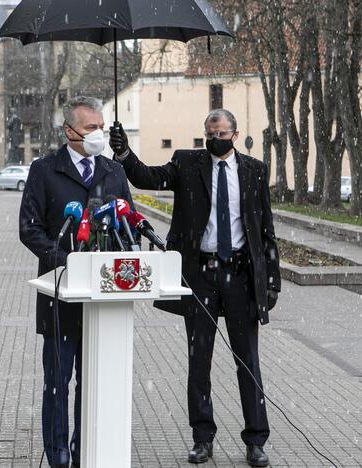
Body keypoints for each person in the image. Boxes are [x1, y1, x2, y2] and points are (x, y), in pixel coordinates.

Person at [109, 109, 280, 467]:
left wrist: (271, 280)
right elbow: (147, 178)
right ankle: (202, 438)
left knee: (247, 360)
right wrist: (124, 154)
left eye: (220, 133)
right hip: (199, 276)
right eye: (208, 133)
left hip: (241, 276)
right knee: (198, 360)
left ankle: (256, 441)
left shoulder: (254, 171)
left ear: (234, 135)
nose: (214, 139)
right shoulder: (187, 163)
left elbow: (265, 228)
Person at [19, 96, 134, 468]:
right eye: (89, 128)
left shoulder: (113, 171)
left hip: (104, 301)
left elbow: (128, 221)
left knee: (95, 384)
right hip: (61, 295)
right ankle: (58, 456)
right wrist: (65, 259)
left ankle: (86, 449)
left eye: (101, 126)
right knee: (58, 383)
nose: (97, 133)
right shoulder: (44, 170)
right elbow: (29, 229)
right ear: (69, 131)